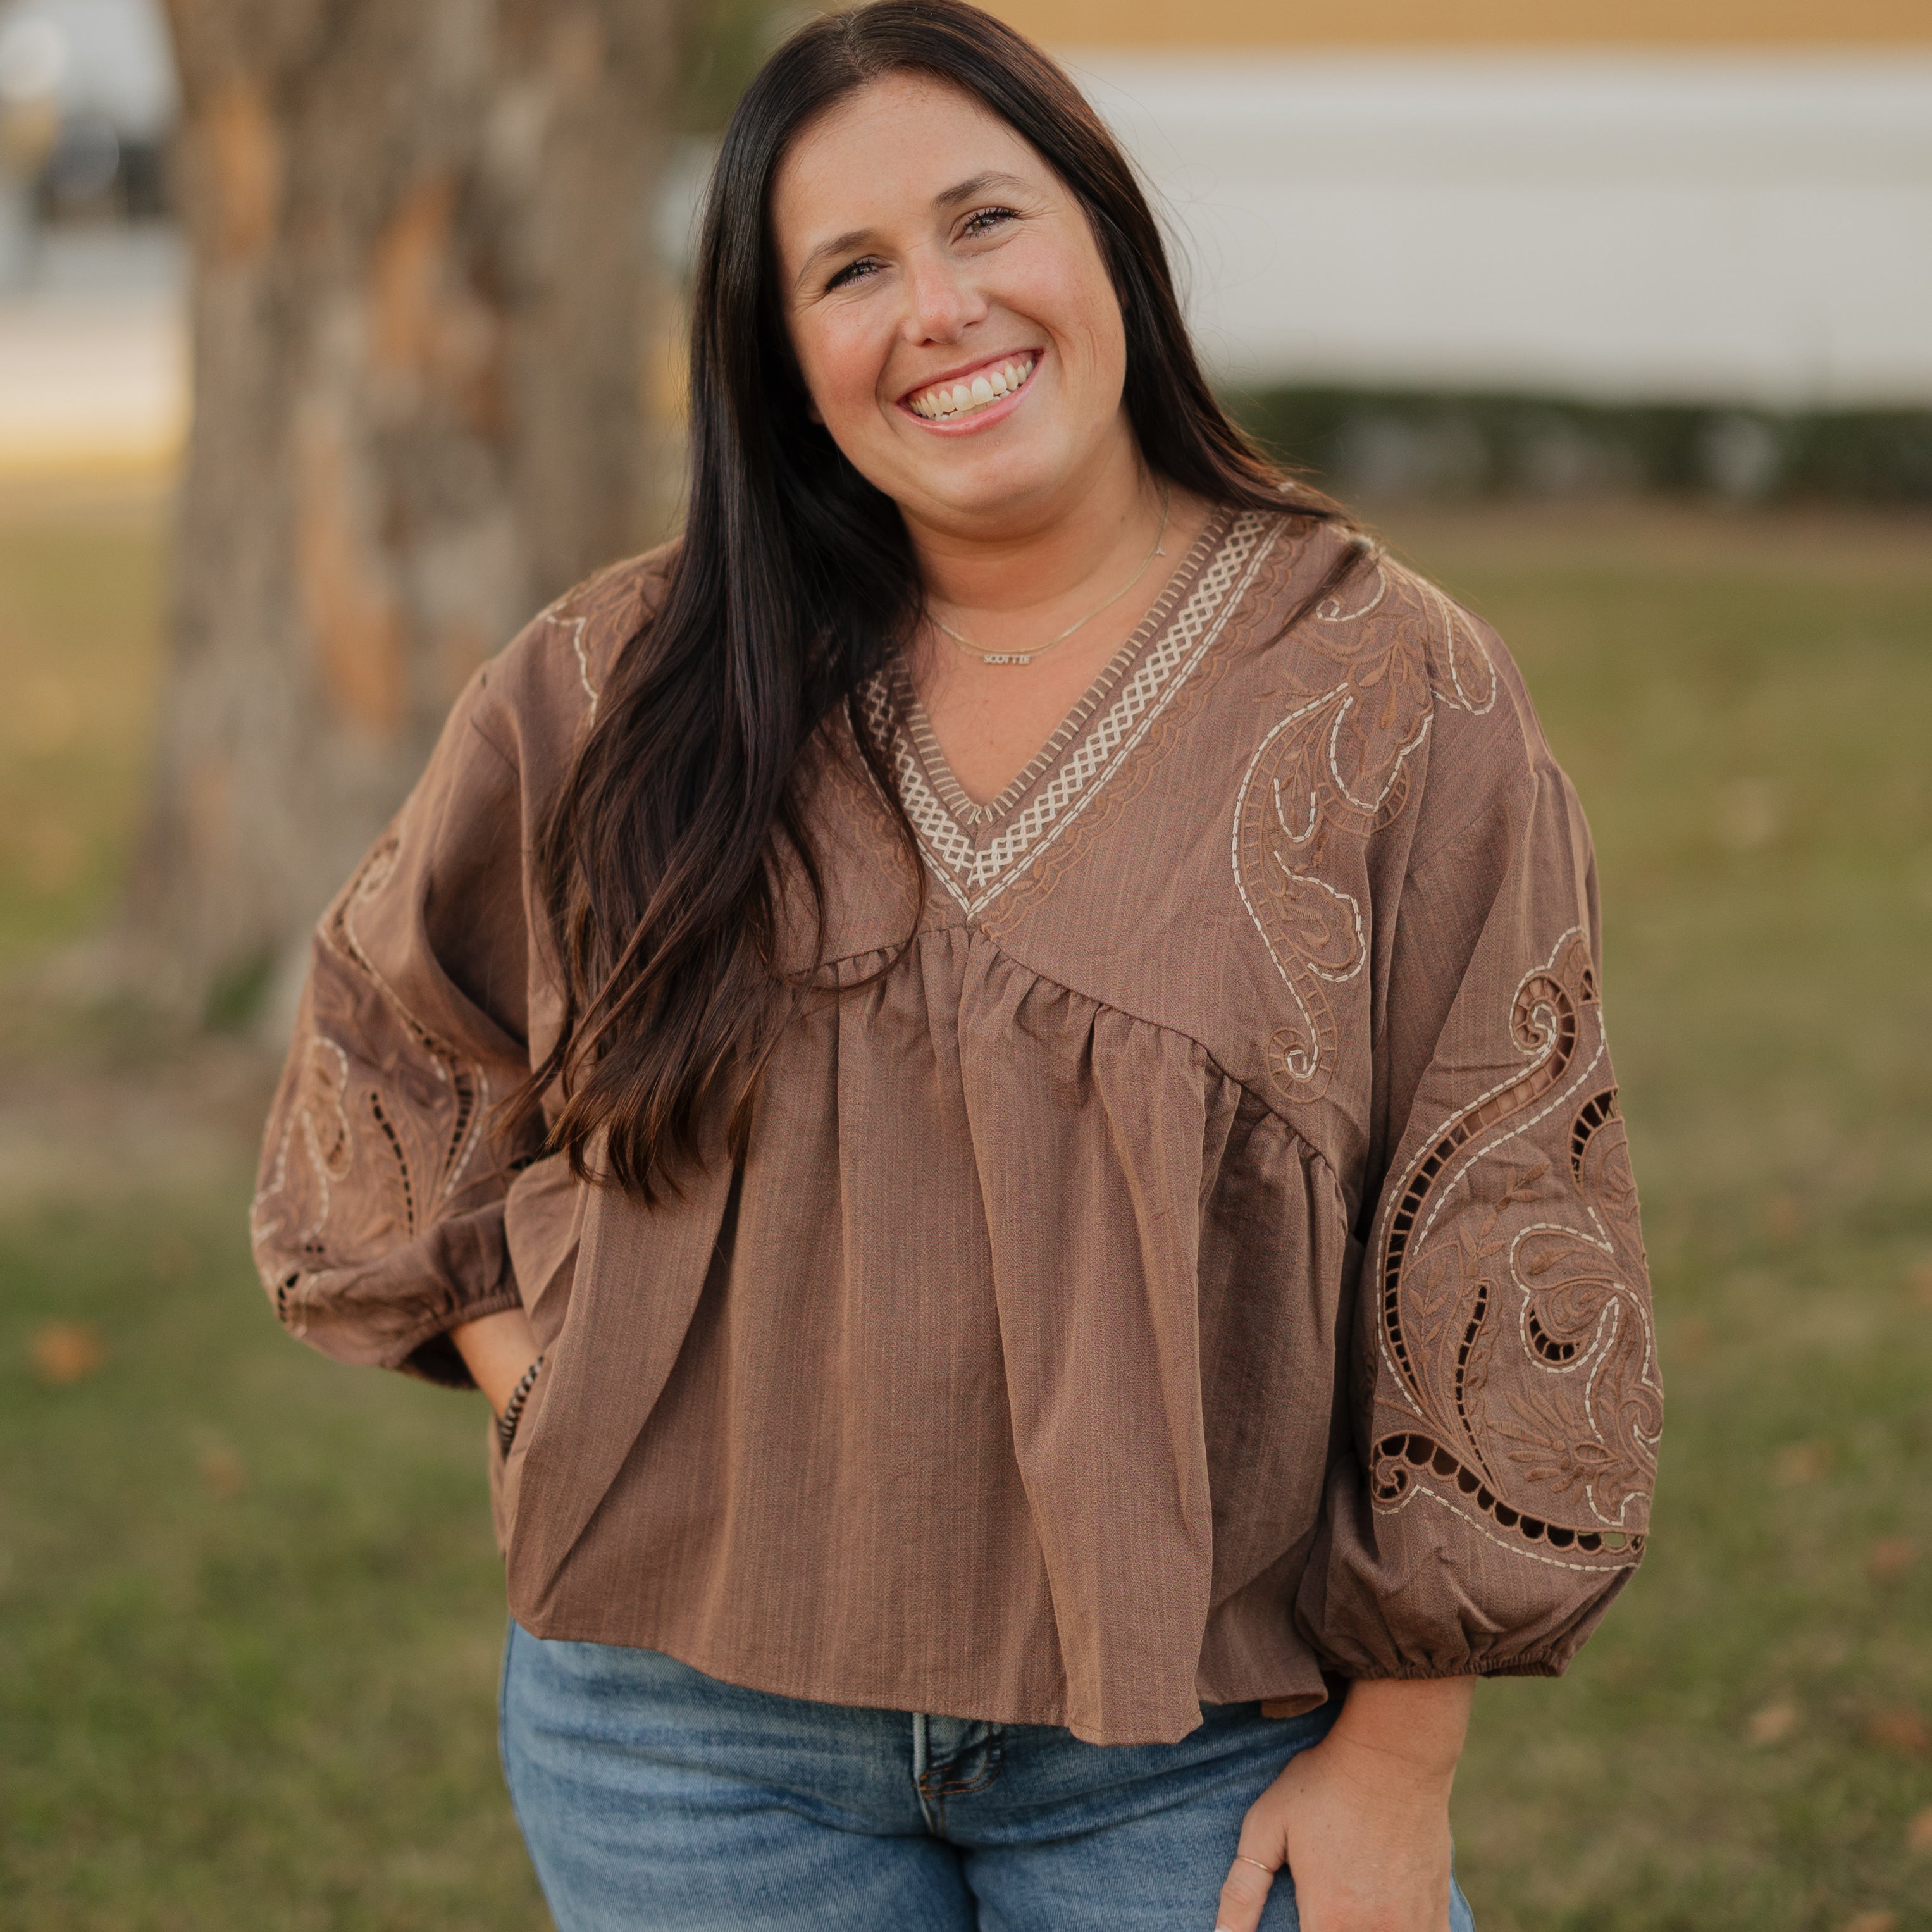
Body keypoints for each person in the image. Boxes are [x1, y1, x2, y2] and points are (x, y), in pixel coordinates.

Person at [251, 4, 1661, 1927]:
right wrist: (534, 1392)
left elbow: (1500, 1214)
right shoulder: (631, 679)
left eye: (984, 222)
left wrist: (1401, 1764)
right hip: (681, 1741)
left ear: (1105, 241)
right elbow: (387, 1047)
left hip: (1193, 1743)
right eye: (850, 270)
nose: (938, 308)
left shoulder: (1386, 692)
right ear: (782, 361)